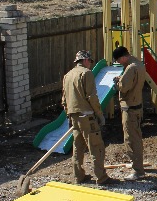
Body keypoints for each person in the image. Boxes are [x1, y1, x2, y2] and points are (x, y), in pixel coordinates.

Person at [62, 50, 113, 186]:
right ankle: (101, 177)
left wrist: (69, 115)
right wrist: (99, 114)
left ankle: (78, 176)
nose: (90, 64)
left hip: (74, 116)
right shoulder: (86, 73)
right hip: (87, 116)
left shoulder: (68, 75)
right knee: (96, 146)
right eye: (90, 61)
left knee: (78, 147)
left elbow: (64, 100)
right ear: (85, 60)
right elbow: (92, 97)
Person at [113, 46, 147, 181]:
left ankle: (137, 170)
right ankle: (138, 165)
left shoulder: (130, 68)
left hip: (129, 108)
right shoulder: (138, 64)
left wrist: (117, 83)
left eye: (118, 60)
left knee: (131, 140)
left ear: (123, 57)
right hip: (137, 105)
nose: (119, 63)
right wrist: (122, 78)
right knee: (136, 137)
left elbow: (124, 87)